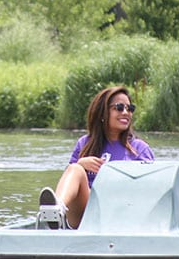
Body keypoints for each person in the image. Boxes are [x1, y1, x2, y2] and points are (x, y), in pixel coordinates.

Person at [38, 86, 154, 229]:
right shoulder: (84, 144)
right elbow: (70, 180)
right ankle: (55, 211)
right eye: (119, 107)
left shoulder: (140, 149)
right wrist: (81, 164)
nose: (126, 112)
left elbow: (150, 191)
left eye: (130, 108)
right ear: (103, 113)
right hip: (85, 214)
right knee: (75, 168)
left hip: (121, 214)